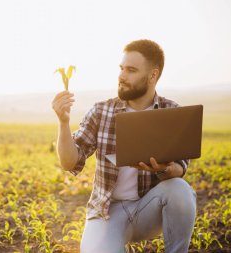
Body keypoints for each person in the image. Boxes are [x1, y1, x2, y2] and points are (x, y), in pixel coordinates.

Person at [52, 39, 197, 253]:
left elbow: (180, 168)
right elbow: (69, 162)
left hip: (148, 209)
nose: (121, 76)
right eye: (121, 68)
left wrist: (163, 169)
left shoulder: (171, 112)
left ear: (153, 75)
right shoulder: (102, 111)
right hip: (106, 213)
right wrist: (63, 123)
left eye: (131, 70)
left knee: (181, 190)